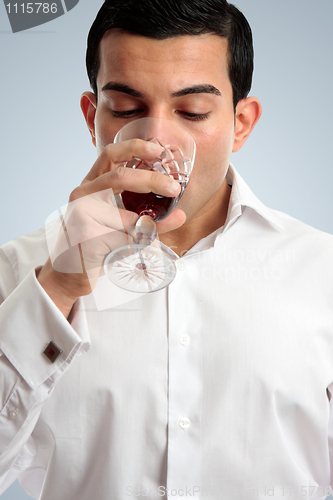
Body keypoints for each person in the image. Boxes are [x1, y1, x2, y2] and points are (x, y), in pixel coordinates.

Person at [1, 0, 333, 499]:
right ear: (93, 117)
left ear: (241, 123)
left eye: (192, 111)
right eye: (128, 110)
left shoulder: (321, 272)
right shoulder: (18, 272)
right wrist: (59, 286)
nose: (156, 141)